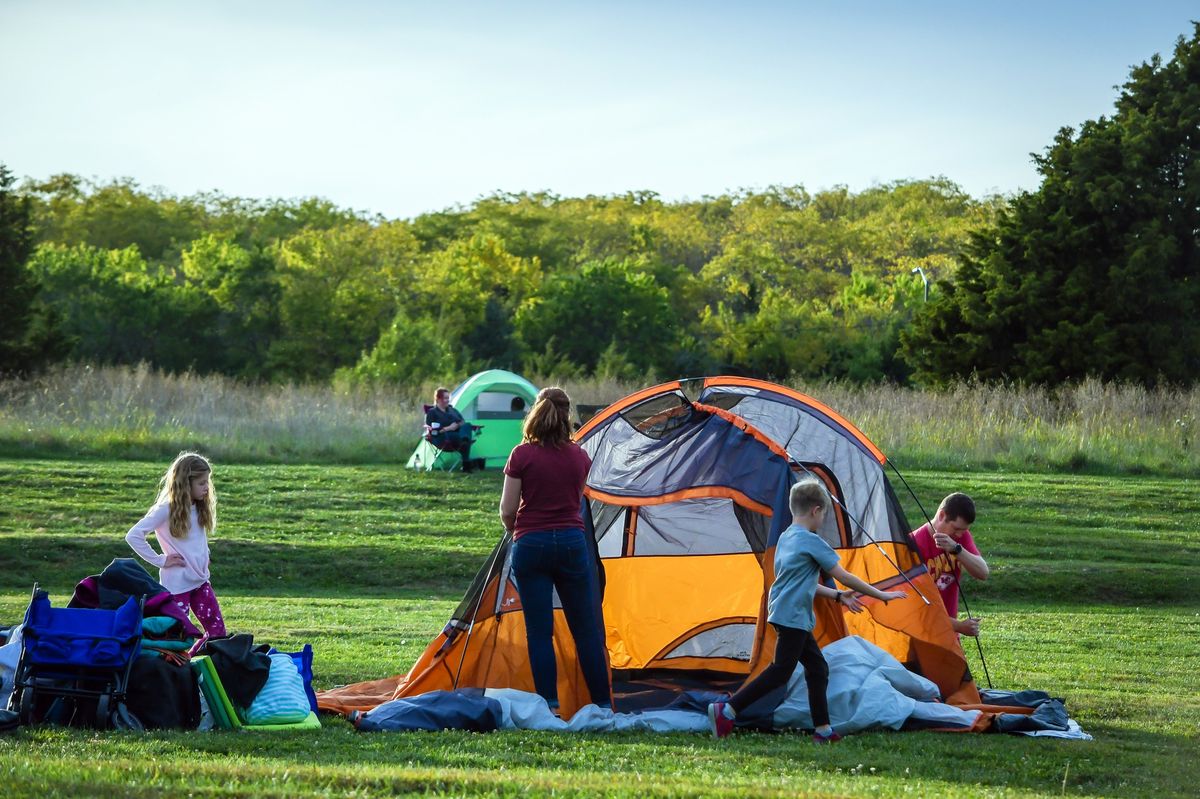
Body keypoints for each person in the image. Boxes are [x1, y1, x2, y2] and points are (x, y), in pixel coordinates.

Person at [708, 478, 907, 743]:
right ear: (816, 510)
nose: (823, 519)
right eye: (824, 514)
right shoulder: (811, 542)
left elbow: (805, 584)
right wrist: (880, 594)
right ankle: (728, 710)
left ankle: (823, 730)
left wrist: (837, 595)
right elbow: (844, 575)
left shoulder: (786, 538)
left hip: (786, 613)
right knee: (781, 670)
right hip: (793, 617)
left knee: (817, 668)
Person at [499, 387, 611, 714]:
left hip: (531, 544)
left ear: (536, 412)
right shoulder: (580, 456)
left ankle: (551, 705)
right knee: (586, 630)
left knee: (540, 632)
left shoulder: (521, 455)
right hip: (572, 544)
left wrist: (517, 531)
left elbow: (508, 509)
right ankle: (603, 704)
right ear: (567, 416)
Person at [125, 452, 226, 638]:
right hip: (177, 585)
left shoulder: (198, 506)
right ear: (186, 483)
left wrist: (205, 555)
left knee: (217, 632)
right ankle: (181, 666)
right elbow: (134, 535)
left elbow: (196, 538)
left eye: (207, 482)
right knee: (179, 635)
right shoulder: (165, 510)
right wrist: (161, 560)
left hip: (200, 581)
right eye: (202, 483)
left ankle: (210, 663)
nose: (207, 487)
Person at [909, 492, 990, 636]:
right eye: (956, 529)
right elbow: (916, 607)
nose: (959, 535)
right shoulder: (913, 545)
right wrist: (958, 626)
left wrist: (956, 549)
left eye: (964, 530)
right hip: (919, 636)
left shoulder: (959, 538)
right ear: (941, 516)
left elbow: (983, 572)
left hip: (948, 635)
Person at [425, 387, 484, 472]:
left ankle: (464, 441)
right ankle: (466, 463)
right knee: (463, 439)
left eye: (448, 398)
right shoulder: (432, 412)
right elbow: (433, 432)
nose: (447, 400)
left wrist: (457, 425)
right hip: (443, 437)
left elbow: (462, 421)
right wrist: (449, 428)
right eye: (445, 398)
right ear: (438, 399)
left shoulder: (452, 410)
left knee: (467, 425)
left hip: (457, 435)